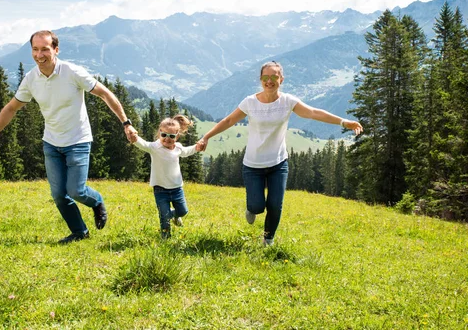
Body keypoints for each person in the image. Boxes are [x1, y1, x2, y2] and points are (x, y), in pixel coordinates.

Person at [0, 30, 138, 243]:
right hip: (51, 143)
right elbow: (10, 109)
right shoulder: (31, 79)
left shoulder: (72, 72)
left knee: (76, 190)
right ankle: (80, 232)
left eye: (45, 49)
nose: (39, 54)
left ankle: (97, 201)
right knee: (60, 195)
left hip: (78, 140)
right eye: (35, 49)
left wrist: (126, 123)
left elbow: (105, 94)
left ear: (56, 50)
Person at [196, 60, 363, 246]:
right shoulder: (250, 102)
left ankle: (268, 240)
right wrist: (206, 137)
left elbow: (314, 112)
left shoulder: (287, 101)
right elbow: (228, 121)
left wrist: (343, 122)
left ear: (281, 79)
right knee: (257, 206)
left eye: (274, 76)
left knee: (275, 205)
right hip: (253, 165)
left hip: (278, 163)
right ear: (260, 79)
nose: (269, 81)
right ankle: (251, 208)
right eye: (265, 77)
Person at [132, 115, 201, 239]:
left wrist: (197, 148)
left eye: (172, 136)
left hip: (176, 188)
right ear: (159, 133)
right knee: (164, 215)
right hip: (160, 189)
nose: (167, 139)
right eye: (164, 135)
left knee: (183, 211)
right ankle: (165, 238)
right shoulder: (154, 147)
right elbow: (143, 144)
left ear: (177, 136)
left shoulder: (178, 148)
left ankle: (175, 215)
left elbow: (186, 152)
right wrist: (134, 138)